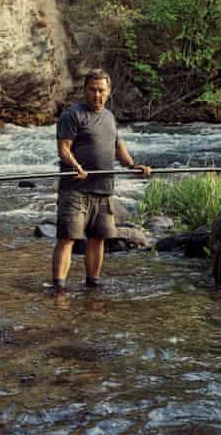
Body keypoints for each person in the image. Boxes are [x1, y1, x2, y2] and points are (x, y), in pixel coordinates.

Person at [52, 69, 150, 293]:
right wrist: (76, 166)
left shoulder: (109, 116)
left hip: (103, 190)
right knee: (68, 238)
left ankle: (92, 283)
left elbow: (117, 147)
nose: (97, 95)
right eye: (92, 90)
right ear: (85, 90)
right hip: (75, 190)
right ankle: (59, 287)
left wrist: (133, 166)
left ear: (108, 92)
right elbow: (63, 149)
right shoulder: (72, 115)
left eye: (101, 91)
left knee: (98, 238)